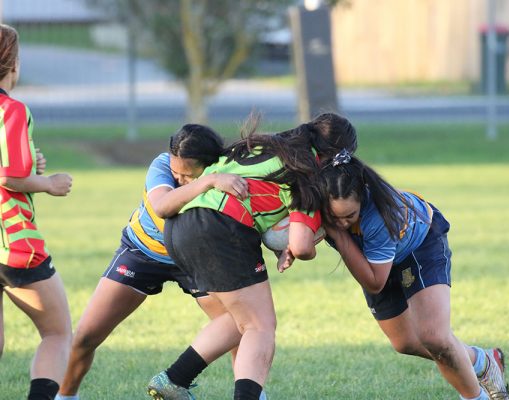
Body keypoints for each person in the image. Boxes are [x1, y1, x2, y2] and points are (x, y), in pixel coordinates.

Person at [146, 113, 358, 400]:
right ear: (333, 156)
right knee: (260, 326)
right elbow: (303, 246)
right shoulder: (306, 173)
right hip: (221, 227)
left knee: (241, 318)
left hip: (179, 227)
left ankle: (173, 379)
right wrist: (312, 236)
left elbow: (262, 197)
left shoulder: (264, 146)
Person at [56, 124, 249, 400]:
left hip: (196, 258)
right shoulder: (163, 165)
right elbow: (162, 205)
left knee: (238, 328)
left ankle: (252, 395)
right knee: (86, 336)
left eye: (188, 175)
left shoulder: (226, 174)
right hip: (143, 252)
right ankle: (65, 396)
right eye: (176, 173)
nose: (180, 179)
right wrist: (206, 182)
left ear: (210, 165)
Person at [305, 150, 509, 399]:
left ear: (362, 199)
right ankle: (482, 361)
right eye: (334, 217)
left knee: (434, 338)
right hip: (376, 258)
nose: (342, 223)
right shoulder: (319, 201)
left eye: (350, 216)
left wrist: (336, 234)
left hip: (418, 245)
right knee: (405, 343)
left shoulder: (380, 217)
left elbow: (375, 282)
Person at [0, 24, 74, 400]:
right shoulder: (10, 109)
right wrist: (49, 182)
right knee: (57, 332)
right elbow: (12, 176)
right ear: (13, 65)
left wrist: (30, 166)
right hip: (13, 243)